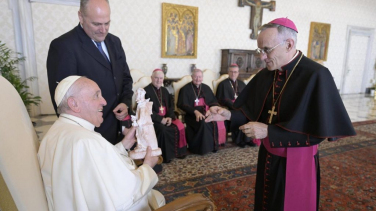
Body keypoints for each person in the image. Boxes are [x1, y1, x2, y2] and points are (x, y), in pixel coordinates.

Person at [205, 18, 356, 211]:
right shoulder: (267, 72)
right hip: (269, 155)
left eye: (266, 49)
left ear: (289, 44)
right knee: (267, 202)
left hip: (298, 161)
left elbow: (317, 132)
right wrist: (227, 115)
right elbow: (252, 111)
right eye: (260, 50)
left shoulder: (316, 75)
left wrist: (269, 131)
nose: (261, 57)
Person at [38, 76, 165, 211]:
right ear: (74, 104)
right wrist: (148, 166)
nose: (104, 102)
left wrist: (123, 145)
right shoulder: (86, 141)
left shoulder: (56, 132)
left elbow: (95, 162)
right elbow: (126, 194)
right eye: (96, 96)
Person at [46, 0, 133, 144]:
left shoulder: (115, 42)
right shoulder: (63, 46)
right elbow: (63, 102)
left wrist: (125, 102)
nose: (103, 29)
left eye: (107, 23)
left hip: (119, 128)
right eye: (97, 24)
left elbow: (125, 78)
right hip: (89, 135)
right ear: (81, 17)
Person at [177, 69, 226, 155]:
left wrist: (210, 111)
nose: (198, 79)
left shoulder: (206, 88)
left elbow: (213, 102)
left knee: (214, 120)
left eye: (200, 77)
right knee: (203, 122)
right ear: (192, 77)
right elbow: (182, 104)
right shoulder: (185, 89)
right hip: (192, 115)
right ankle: (200, 149)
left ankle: (213, 146)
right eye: (196, 76)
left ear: (202, 78)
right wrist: (195, 111)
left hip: (207, 113)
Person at [143, 69, 187, 163]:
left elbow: (171, 107)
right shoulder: (146, 91)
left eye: (161, 78)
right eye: (156, 78)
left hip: (166, 118)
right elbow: (145, 111)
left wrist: (169, 117)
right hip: (152, 120)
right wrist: (160, 119)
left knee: (178, 126)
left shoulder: (165, 90)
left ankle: (177, 153)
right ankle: (166, 156)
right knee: (163, 130)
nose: (159, 80)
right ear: (151, 78)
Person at [216, 63, 255, 148]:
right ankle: (239, 140)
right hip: (230, 108)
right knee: (238, 115)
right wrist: (235, 106)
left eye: (235, 72)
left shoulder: (241, 83)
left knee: (248, 114)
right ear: (228, 72)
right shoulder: (223, 84)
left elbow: (247, 97)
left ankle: (248, 139)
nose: (233, 74)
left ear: (238, 73)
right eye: (231, 72)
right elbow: (222, 99)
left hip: (241, 107)